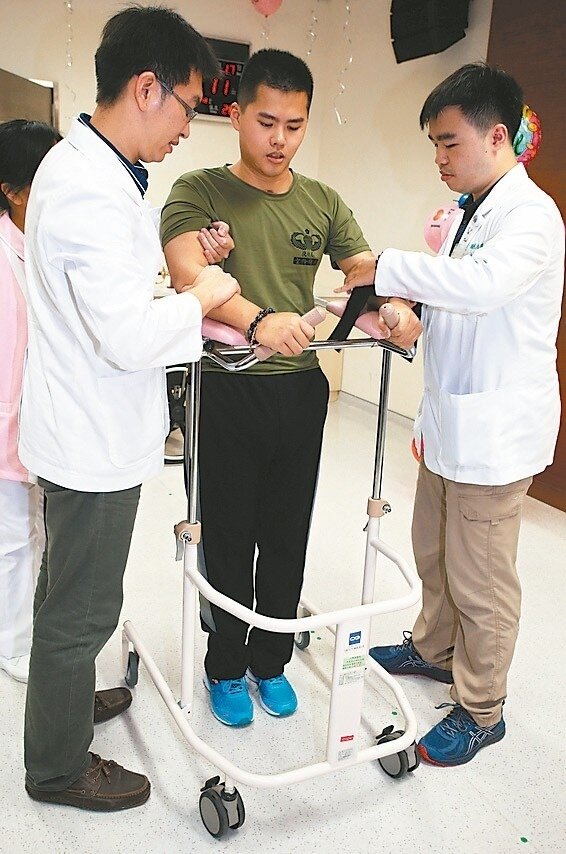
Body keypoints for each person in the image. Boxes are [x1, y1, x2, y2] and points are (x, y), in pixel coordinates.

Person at [18, 6, 239, 812]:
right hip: (91, 437)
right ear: (147, 88)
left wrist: (188, 265)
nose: (188, 126)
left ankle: (66, 705)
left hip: (83, 423)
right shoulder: (88, 187)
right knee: (81, 610)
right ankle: (56, 769)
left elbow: (110, 288)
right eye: (188, 106)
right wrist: (201, 295)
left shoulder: (97, 169)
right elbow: (125, 336)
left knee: (68, 592)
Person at [161, 48, 422, 728]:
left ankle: (271, 660)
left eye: (295, 125)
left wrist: (390, 306)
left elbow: (362, 271)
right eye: (266, 122)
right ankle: (225, 665)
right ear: (236, 115)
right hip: (227, 387)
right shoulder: (198, 191)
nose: (280, 139)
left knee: (285, 531)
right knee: (228, 533)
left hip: (301, 390)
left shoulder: (321, 201)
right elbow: (187, 273)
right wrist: (258, 320)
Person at [335, 63, 565, 766]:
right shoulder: (472, 211)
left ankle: (482, 708)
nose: (438, 157)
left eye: (449, 142)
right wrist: (410, 316)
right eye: (434, 144)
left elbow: (483, 287)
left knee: (481, 579)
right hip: (451, 424)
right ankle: (435, 649)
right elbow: (455, 301)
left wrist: (385, 266)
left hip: (495, 435)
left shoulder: (531, 217)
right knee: (434, 550)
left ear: (496, 137)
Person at [0, 120, 60, 683]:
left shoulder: (39, 246)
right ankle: (13, 645)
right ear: (13, 191)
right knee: (14, 541)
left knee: (33, 533)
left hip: (38, 425)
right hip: (7, 428)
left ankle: (26, 632)